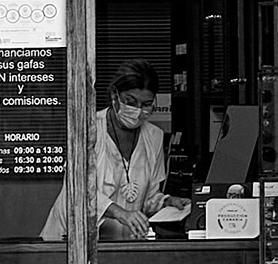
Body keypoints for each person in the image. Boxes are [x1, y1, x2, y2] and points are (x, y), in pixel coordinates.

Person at [46, 61, 187, 242]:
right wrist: (119, 213)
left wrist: (166, 202)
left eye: (146, 104)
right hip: (70, 240)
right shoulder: (88, 129)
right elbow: (77, 190)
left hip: (121, 244)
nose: (138, 111)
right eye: (130, 102)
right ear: (115, 94)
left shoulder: (154, 136)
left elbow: (147, 197)